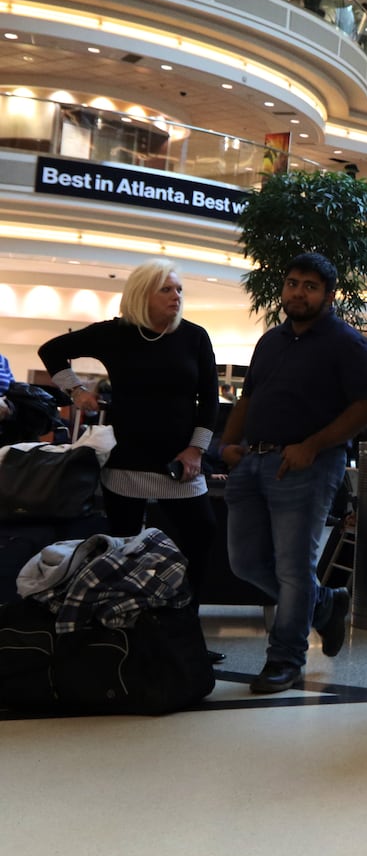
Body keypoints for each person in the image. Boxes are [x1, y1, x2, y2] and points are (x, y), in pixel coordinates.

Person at [220, 253, 367, 694]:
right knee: (245, 562)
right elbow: (248, 398)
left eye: (310, 286)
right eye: (292, 283)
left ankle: (285, 658)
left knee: (294, 568)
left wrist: (311, 446)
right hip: (252, 462)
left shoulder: (347, 344)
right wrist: (227, 445)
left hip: (306, 465)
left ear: (329, 295)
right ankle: (325, 605)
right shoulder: (271, 340)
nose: (298, 292)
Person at [38, 260, 220, 635]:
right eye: (166, 289)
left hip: (179, 460)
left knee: (201, 534)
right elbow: (51, 350)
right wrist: (77, 390)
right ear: (142, 294)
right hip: (128, 459)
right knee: (121, 547)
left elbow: (210, 399)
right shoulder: (115, 333)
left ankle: (185, 626)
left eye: (179, 289)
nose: (176, 296)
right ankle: (124, 628)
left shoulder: (194, 336)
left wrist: (196, 450)